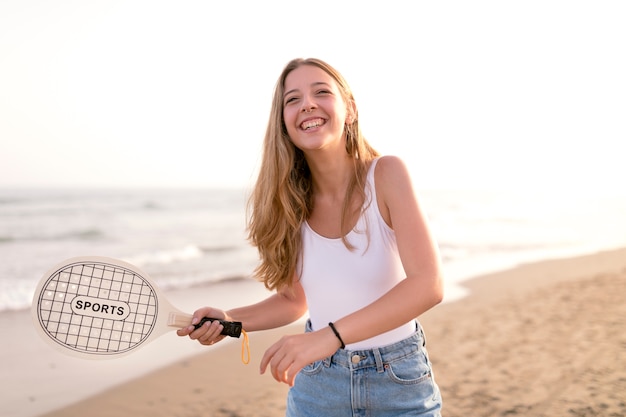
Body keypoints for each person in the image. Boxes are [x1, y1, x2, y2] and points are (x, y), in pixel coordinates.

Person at [177, 57, 444, 416]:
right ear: (284, 122)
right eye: (292, 99)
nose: (307, 104)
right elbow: (293, 301)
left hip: (397, 381)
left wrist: (328, 337)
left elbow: (428, 285)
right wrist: (229, 319)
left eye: (321, 92)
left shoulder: (386, 175)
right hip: (318, 386)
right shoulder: (288, 204)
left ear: (349, 109)